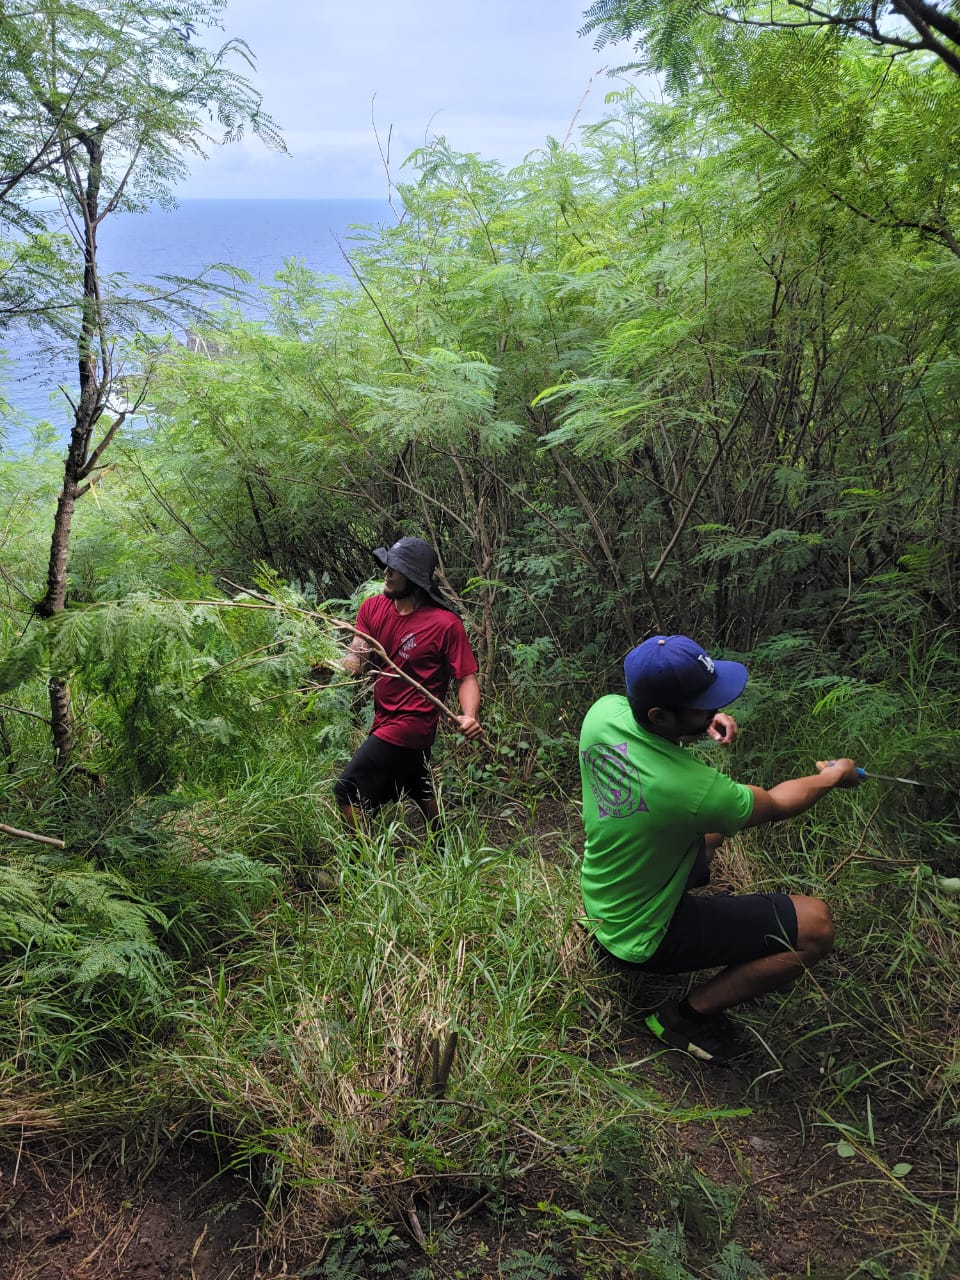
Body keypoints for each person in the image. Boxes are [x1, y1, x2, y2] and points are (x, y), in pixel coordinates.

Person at [579, 633, 861, 1063]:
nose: (714, 711)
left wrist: (696, 723)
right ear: (660, 715)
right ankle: (684, 1018)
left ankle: (681, 910)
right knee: (816, 924)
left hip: (602, 901)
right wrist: (833, 776)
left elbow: (649, 724)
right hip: (640, 936)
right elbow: (779, 802)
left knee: (711, 829)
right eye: (703, 706)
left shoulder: (603, 713)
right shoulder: (696, 792)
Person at [333, 536, 483, 829]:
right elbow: (356, 660)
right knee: (418, 785)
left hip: (413, 724)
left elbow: (465, 676)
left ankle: (361, 858)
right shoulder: (372, 608)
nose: (386, 573)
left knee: (347, 790)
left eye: (395, 569)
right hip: (384, 717)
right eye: (387, 566)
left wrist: (469, 715)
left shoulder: (445, 624)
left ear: (414, 578)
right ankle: (443, 844)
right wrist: (330, 664)